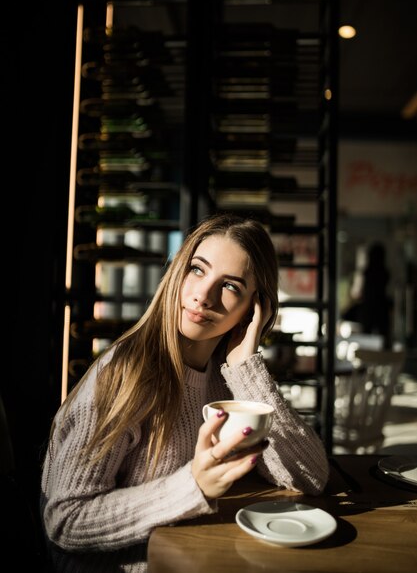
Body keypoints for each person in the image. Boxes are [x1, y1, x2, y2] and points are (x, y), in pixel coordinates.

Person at [40, 213, 329, 572]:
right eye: (197, 269)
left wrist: (246, 367)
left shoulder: (228, 381)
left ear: (251, 310)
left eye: (231, 286)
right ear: (178, 272)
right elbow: (65, 520)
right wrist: (194, 486)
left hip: (195, 557)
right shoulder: (126, 373)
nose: (203, 296)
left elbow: (311, 477)